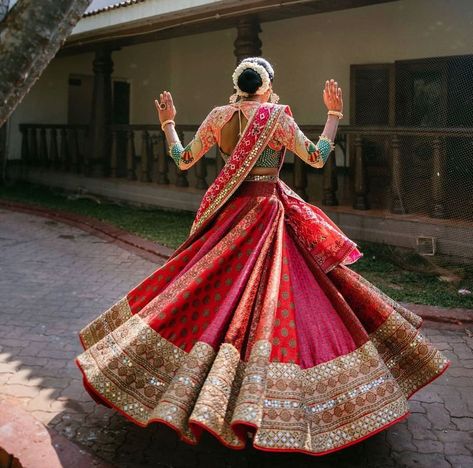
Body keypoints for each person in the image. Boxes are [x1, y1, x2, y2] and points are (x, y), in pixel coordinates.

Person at [75, 57, 449, 456]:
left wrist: (168, 122)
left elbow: (183, 159)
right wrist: (334, 114)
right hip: (270, 213)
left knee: (209, 294)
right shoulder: (277, 117)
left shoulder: (219, 116)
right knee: (288, 301)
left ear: (238, 86)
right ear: (268, 87)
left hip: (229, 217)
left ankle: (205, 391)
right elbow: (318, 156)